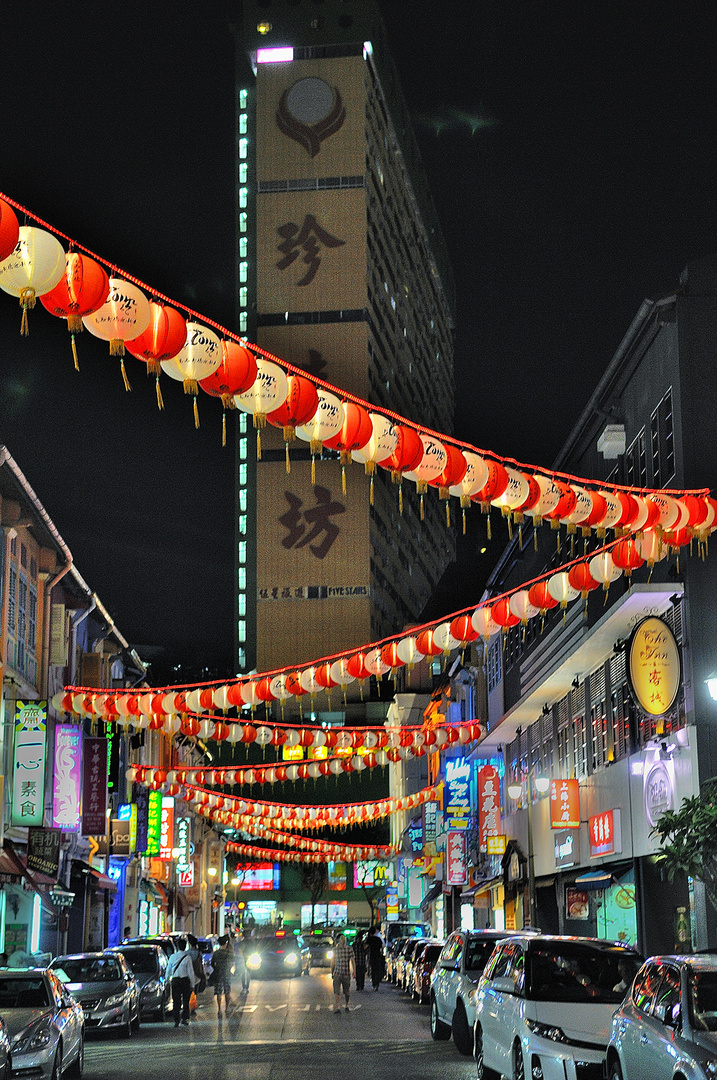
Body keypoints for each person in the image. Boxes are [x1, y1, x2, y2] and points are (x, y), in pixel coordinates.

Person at [166, 937, 196, 1027]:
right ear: (185, 946)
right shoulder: (187, 958)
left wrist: (167, 979)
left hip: (175, 981)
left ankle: (176, 1020)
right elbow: (190, 972)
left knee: (176, 1001)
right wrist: (192, 984)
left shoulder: (172, 957)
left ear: (178, 947)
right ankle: (185, 1019)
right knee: (186, 1001)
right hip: (185, 981)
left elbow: (168, 970)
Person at [331, 929, 355, 1013]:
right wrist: (332, 972)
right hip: (341, 973)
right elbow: (333, 962)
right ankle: (339, 1006)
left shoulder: (348, 949)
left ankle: (345, 1005)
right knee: (338, 991)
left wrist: (354, 971)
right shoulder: (336, 950)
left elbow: (352, 960)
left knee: (345, 991)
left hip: (342, 972)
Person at [211, 935, 234, 1018]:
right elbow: (233, 963)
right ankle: (227, 1008)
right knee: (227, 992)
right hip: (226, 973)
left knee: (218, 992)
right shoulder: (229, 953)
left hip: (218, 974)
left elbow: (212, 963)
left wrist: (216, 968)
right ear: (226, 943)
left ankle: (219, 1009)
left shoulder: (216, 953)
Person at [366, 925, 385, 991]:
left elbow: (365, 947)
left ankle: (374, 984)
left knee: (373, 970)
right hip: (378, 956)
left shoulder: (370, 939)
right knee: (377, 970)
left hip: (372, 956)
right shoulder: (378, 939)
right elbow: (382, 946)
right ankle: (377, 984)